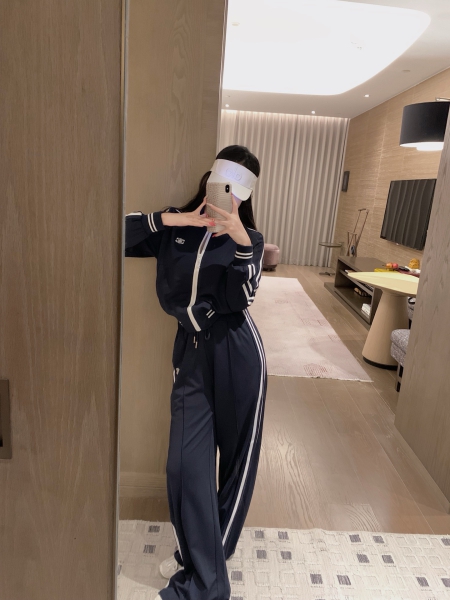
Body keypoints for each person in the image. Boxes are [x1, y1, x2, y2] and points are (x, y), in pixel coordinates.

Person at [125, 145, 267, 600]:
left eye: (238, 189)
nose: (228, 194)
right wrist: (170, 220)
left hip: (237, 352)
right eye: (223, 181)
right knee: (185, 466)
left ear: (246, 195)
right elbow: (115, 233)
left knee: (236, 465)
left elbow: (242, 297)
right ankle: (204, 570)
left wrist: (241, 242)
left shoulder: (249, 239)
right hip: (190, 353)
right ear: (209, 178)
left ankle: (206, 568)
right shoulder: (175, 228)